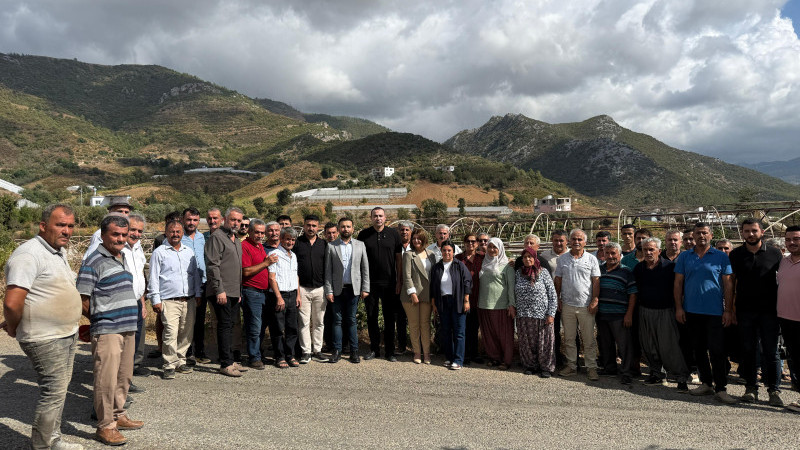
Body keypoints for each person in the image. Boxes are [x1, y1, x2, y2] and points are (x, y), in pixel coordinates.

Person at [2, 204, 84, 450]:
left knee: (59, 391)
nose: (67, 231)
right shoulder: (29, 255)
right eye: (60, 225)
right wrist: (14, 327)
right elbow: (12, 302)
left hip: (65, 333)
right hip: (45, 337)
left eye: (70, 226)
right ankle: (43, 446)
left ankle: (52, 439)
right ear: (43, 226)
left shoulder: (57, 251)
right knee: (53, 392)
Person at [77, 214, 143, 446]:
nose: (121, 239)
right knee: (106, 378)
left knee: (123, 376)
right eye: (115, 234)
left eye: (124, 235)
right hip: (107, 329)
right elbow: (82, 298)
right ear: (103, 235)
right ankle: (105, 426)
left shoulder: (123, 257)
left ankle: (118, 414)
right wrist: (98, 317)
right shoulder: (94, 260)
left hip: (127, 327)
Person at [674, 222, 737, 404]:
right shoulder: (685, 256)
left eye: (704, 233)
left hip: (715, 312)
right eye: (698, 233)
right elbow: (678, 283)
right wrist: (679, 307)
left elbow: (728, 284)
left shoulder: (720, 257)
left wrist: (728, 310)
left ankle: (721, 388)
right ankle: (706, 383)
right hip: (691, 311)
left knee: (717, 350)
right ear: (693, 235)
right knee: (698, 349)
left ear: (711, 235)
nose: (701, 236)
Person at [729, 219, 784, 405]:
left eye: (754, 230)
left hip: (770, 311)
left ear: (762, 232)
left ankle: (774, 390)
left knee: (771, 352)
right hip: (745, 311)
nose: (750, 234)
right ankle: (751, 388)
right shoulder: (736, 255)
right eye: (746, 231)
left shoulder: (775, 254)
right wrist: (731, 309)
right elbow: (732, 283)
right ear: (742, 233)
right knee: (748, 350)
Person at [148, 220, 202, 380]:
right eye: (172, 231)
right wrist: (155, 299)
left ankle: (180, 360)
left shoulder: (188, 252)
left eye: (178, 231)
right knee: (171, 332)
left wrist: (198, 293)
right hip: (169, 300)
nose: (175, 234)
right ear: (166, 232)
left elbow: (195, 275)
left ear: (182, 233)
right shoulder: (160, 252)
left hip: (189, 299)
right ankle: (169, 365)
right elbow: (153, 278)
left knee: (186, 332)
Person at [634, 237, 690, 392]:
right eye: (645, 249)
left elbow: (679, 289)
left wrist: (679, 308)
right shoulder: (639, 269)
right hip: (645, 311)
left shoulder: (670, 268)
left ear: (659, 251)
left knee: (669, 347)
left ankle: (681, 378)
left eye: (651, 249)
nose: (648, 252)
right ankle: (656, 374)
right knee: (649, 346)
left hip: (665, 311)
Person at [357, 207, 404, 361]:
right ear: (371, 218)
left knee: (389, 317)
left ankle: (389, 351)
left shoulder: (393, 235)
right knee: (372, 316)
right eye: (375, 216)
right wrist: (362, 284)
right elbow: (359, 260)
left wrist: (399, 281)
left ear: (385, 218)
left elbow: (399, 259)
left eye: (380, 216)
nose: (378, 218)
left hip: (390, 283)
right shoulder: (363, 235)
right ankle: (374, 349)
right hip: (369, 283)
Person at [554, 229, 601, 381]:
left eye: (580, 239)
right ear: (569, 241)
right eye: (573, 239)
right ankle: (571, 365)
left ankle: (591, 367)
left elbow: (596, 281)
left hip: (586, 305)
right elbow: (558, 280)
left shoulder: (591, 259)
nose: (576, 242)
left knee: (588, 339)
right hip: (567, 304)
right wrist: (558, 298)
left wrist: (595, 300)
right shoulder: (562, 259)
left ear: (585, 242)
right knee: (569, 338)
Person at [205, 207, 246, 377]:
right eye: (233, 220)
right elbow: (213, 265)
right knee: (224, 326)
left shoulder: (235, 239)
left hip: (234, 291)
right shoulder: (217, 237)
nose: (236, 223)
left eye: (239, 221)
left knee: (230, 326)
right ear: (224, 220)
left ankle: (230, 359)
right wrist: (219, 290)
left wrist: (239, 291)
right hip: (222, 291)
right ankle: (225, 363)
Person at [324, 217, 370, 364]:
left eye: (348, 227)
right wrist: (329, 291)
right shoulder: (331, 246)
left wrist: (365, 288)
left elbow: (365, 268)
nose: (346, 229)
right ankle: (336, 351)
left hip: (354, 289)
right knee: (337, 321)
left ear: (353, 229)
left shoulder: (360, 245)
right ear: (339, 229)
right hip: (337, 289)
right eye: (343, 227)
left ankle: (354, 351)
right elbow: (328, 271)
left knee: (351, 320)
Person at [596, 242, 638, 385]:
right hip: (602, 314)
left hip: (620, 315)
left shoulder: (626, 272)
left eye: (613, 253)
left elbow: (632, 294)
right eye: (607, 253)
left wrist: (629, 314)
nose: (610, 256)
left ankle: (626, 371)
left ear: (620, 255)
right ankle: (610, 368)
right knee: (606, 343)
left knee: (624, 345)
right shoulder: (599, 269)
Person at [240, 220, 279, 370]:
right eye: (257, 232)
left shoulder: (260, 246)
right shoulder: (245, 246)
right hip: (251, 292)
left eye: (262, 233)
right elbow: (246, 271)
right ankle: (254, 357)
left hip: (263, 293)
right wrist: (266, 263)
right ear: (249, 231)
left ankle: (257, 353)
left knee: (261, 327)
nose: (260, 235)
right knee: (254, 327)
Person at [514, 247, 558, 377]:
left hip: (542, 315)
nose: (527, 259)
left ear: (535, 258)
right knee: (526, 343)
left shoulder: (543, 272)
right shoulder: (518, 273)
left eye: (530, 257)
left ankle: (546, 368)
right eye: (525, 257)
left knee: (545, 343)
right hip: (524, 314)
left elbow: (552, 294)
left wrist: (551, 314)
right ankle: (530, 365)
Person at [430, 241, 472, 370]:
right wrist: (434, 304)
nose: (447, 253)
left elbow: (468, 282)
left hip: (458, 301)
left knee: (459, 332)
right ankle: (449, 357)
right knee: (446, 331)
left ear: (453, 252)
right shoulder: (436, 267)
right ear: (441, 251)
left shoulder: (459, 266)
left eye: (449, 250)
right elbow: (433, 287)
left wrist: (466, 300)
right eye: (444, 250)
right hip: (443, 302)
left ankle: (458, 360)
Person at [478, 237, 516, 370]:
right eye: (490, 247)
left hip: (501, 305)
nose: (492, 250)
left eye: (495, 247)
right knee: (489, 334)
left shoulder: (507, 265)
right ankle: (494, 358)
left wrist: (511, 304)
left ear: (500, 249)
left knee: (504, 335)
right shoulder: (483, 262)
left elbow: (511, 286)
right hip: (483, 303)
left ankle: (506, 360)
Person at [295, 215, 328, 363]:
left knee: (319, 321)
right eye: (308, 225)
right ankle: (306, 352)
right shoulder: (297, 243)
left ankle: (318, 350)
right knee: (304, 322)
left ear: (318, 227)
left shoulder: (324, 244)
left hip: (320, 289)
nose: (311, 228)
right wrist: (296, 291)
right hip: (302, 288)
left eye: (314, 226)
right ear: (304, 225)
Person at [401, 228, 437, 364]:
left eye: (419, 238)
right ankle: (416, 352)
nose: (416, 240)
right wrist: (412, 293)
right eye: (414, 238)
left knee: (425, 324)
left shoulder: (431, 254)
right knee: (414, 324)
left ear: (424, 239)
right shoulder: (408, 255)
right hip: (412, 296)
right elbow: (407, 275)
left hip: (427, 295)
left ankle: (426, 353)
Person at [268, 227, 301, 368]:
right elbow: (272, 278)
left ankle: (290, 355)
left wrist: (298, 295)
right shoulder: (274, 254)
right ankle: (279, 356)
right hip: (279, 295)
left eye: (293, 240)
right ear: (281, 239)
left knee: (292, 327)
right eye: (288, 239)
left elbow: (296, 276)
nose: (290, 242)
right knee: (278, 328)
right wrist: (279, 297)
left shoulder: (293, 256)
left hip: (292, 294)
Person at [777, 226, 800, 413]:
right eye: (788, 239)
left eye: (796, 239)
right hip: (786, 318)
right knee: (795, 359)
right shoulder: (783, 263)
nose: (792, 242)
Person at [181, 207, 208, 366]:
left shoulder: (201, 238)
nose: (192, 223)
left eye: (195, 220)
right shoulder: (178, 237)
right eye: (189, 219)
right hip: (186, 285)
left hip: (202, 283)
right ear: (183, 220)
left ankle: (199, 351)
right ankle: (186, 352)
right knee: (186, 320)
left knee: (199, 319)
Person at [125, 214, 149, 387]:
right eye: (132, 229)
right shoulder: (119, 248)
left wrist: (142, 303)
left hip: (136, 302)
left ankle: (128, 377)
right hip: (123, 304)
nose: (136, 234)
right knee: (125, 344)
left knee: (134, 341)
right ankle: (122, 381)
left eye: (139, 231)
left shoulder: (138, 248)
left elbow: (139, 276)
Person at [540, 229, 569, 367]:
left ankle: (572, 361)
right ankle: (555, 357)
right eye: (556, 240)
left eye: (561, 240)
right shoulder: (544, 256)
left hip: (569, 298)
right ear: (552, 241)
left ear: (566, 241)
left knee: (571, 332)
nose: (558, 243)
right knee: (554, 330)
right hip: (552, 300)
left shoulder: (572, 255)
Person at [456, 233, 484, 365]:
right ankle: (465, 353)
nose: (471, 244)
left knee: (475, 327)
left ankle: (474, 353)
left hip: (479, 298)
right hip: (463, 298)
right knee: (464, 327)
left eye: (473, 241)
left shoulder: (483, 258)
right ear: (464, 243)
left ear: (477, 243)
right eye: (468, 241)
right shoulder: (458, 259)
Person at [322, 221, 339, 351]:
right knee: (326, 317)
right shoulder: (322, 246)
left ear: (337, 233)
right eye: (329, 233)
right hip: (322, 287)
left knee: (338, 317)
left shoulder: (341, 246)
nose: (331, 235)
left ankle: (341, 344)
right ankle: (329, 343)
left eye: (334, 233)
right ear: (324, 234)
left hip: (338, 288)